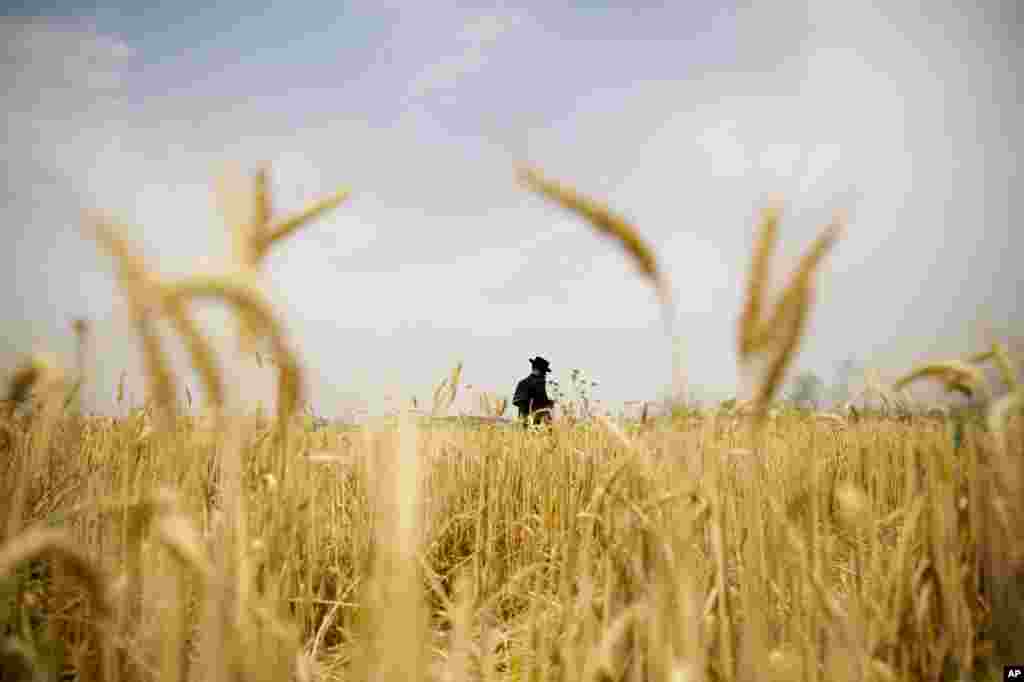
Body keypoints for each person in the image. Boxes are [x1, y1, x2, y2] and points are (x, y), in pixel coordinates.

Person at [513, 356, 554, 426]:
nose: (545, 374)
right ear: (539, 370)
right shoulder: (539, 383)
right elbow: (540, 404)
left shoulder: (522, 382)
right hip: (535, 423)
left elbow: (518, 402)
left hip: (529, 423)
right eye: (544, 371)